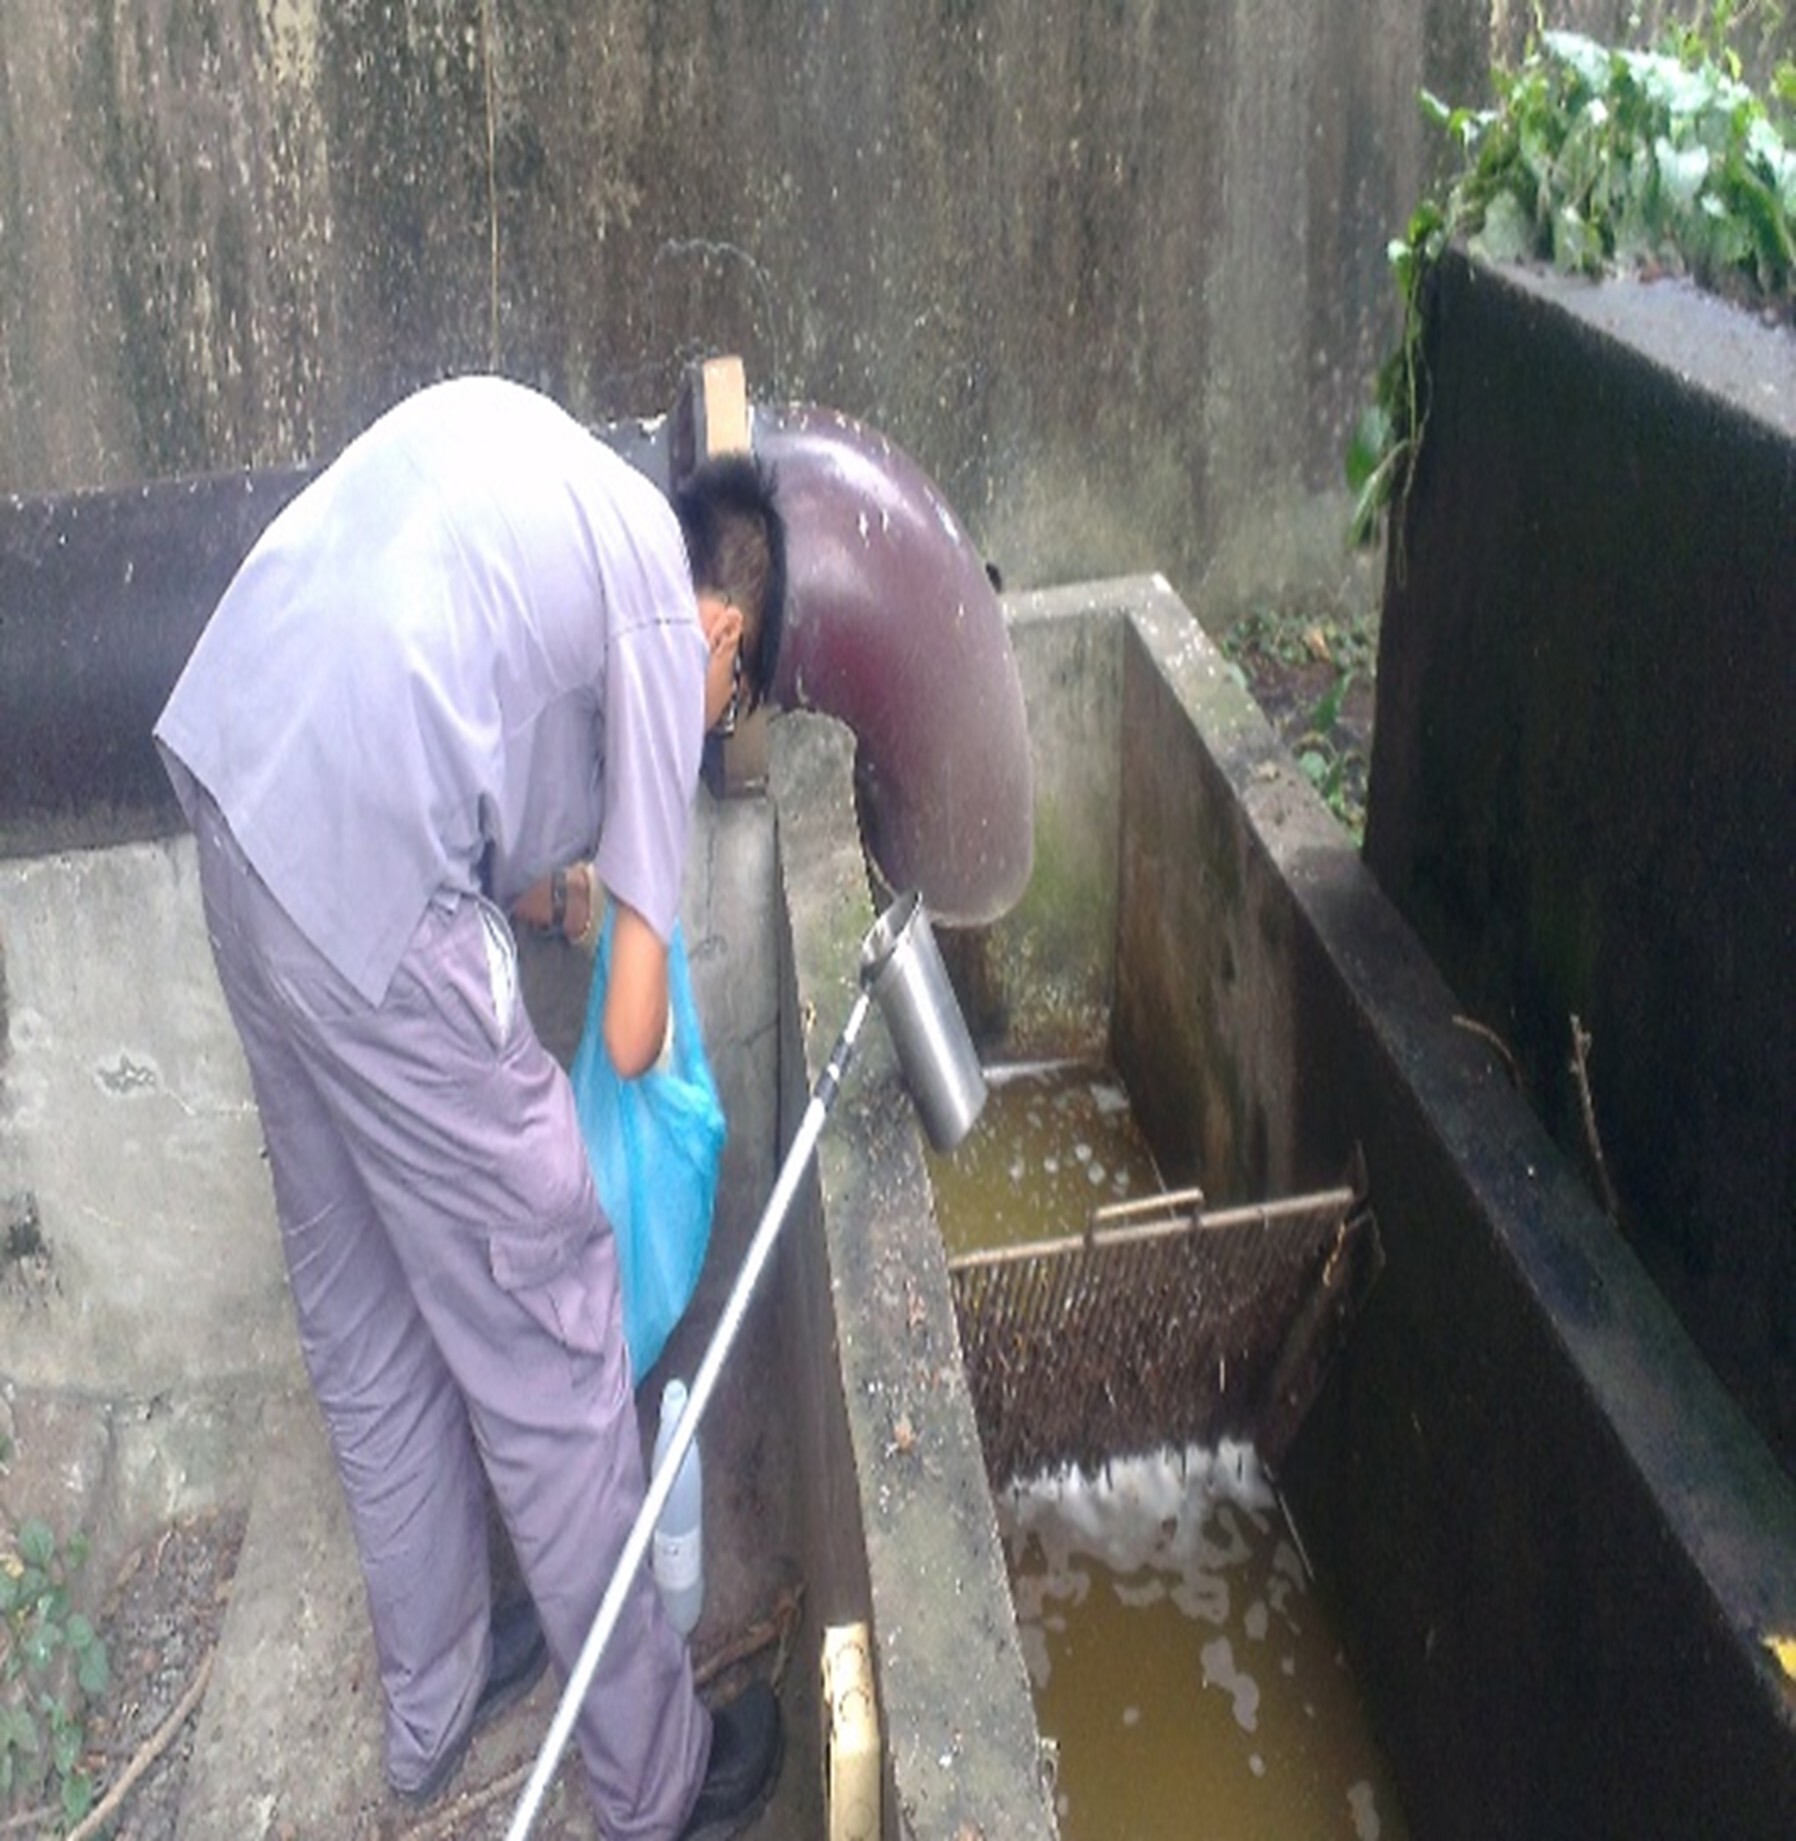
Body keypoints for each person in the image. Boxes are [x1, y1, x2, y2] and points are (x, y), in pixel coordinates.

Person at [153, 374, 786, 1840]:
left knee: (364, 1301)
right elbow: (631, 1035)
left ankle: (434, 1698)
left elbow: (464, 768)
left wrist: (573, 895)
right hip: (372, 896)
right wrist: (650, 905)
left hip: (244, 807)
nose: (710, 731)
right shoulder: (654, 610)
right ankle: (656, 1779)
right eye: (731, 710)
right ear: (726, 637)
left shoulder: (541, 481)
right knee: (551, 1314)